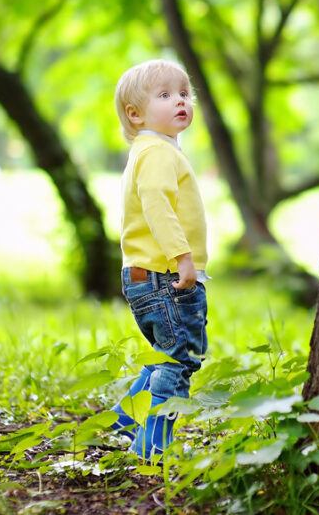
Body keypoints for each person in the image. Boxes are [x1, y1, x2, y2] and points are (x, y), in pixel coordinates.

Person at [109, 59, 209, 460]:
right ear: (135, 114)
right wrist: (183, 258)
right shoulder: (157, 154)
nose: (180, 101)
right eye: (165, 95)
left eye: (184, 93)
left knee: (166, 356)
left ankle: (124, 419)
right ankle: (151, 448)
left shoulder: (152, 150)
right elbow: (158, 208)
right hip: (164, 275)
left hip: (147, 274)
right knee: (179, 361)